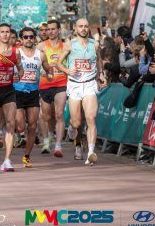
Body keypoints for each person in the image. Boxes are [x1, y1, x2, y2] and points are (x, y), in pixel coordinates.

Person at [56, 18, 103, 166]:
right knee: (76, 122)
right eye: (80, 26)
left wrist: (100, 75)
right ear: (75, 29)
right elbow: (58, 63)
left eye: (86, 26)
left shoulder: (94, 44)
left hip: (89, 84)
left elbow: (99, 60)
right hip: (75, 85)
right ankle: (72, 127)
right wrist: (67, 70)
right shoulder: (70, 44)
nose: (83, 29)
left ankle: (90, 152)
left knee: (91, 118)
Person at [13, 27, 50, 169]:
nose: (28, 39)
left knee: (33, 126)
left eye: (31, 37)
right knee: (21, 126)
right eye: (25, 37)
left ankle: (27, 156)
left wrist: (49, 74)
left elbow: (48, 69)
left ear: (34, 39)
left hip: (33, 93)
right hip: (17, 92)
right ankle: (17, 135)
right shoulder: (17, 53)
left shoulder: (41, 55)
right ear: (21, 39)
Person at [0, 24, 18, 172]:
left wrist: (19, 75)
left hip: (8, 90)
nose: (5, 34)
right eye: (3, 32)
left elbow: (20, 69)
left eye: (7, 32)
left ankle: (7, 160)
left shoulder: (15, 51)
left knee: (11, 123)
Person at [37, 19, 67, 157]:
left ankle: (58, 146)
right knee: (46, 116)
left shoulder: (65, 46)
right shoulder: (41, 46)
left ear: (59, 30)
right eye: (48, 29)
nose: (50, 31)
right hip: (45, 84)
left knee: (59, 114)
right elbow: (35, 61)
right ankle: (46, 140)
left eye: (53, 29)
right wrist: (41, 71)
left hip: (61, 83)